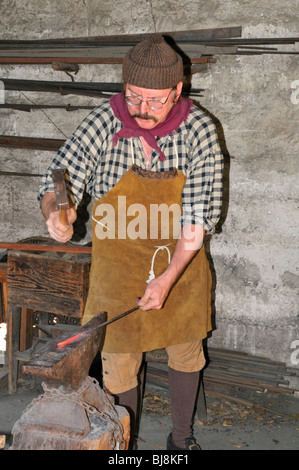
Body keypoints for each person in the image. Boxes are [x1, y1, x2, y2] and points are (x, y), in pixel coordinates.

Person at [38, 35, 223, 450]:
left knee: (186, 348)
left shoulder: (200, 132)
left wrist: (168, 278)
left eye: (156, 101)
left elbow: (196, 219)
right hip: (117, 266)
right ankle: (125, 446)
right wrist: (57, 213)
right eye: (134, 97)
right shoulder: (104, 120)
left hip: (182, 257)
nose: (142, 110)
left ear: (178, 90)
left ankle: (181, 440)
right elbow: (58, 176)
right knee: (119, 361)